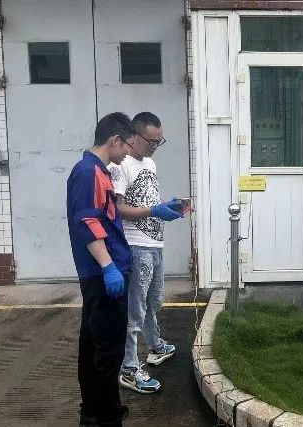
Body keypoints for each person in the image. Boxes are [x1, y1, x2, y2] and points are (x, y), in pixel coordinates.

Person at [66, 112, 137, 426]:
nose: (127, 154)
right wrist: (108, 266)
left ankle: (94, 412)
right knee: (107, 350)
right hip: (103, 275)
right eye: (127, 146)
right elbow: (87, 221)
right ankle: (105, 417)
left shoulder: (97, 171)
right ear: (115, 140)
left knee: (95, 344)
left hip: (104, 272)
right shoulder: (89, 172)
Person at [110, 112, 185, 394]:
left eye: (159, 141)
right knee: (135, 309)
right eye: (151, 141)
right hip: (136, 246)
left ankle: (155, 346)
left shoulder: (150, 163)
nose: (155, 147)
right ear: (134, 135)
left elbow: (147, 199)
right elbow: (117, 209)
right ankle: (129, 369)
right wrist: (154, 210)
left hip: (155, 244)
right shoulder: (120, 166)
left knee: (154, 301)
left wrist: (167, 206)